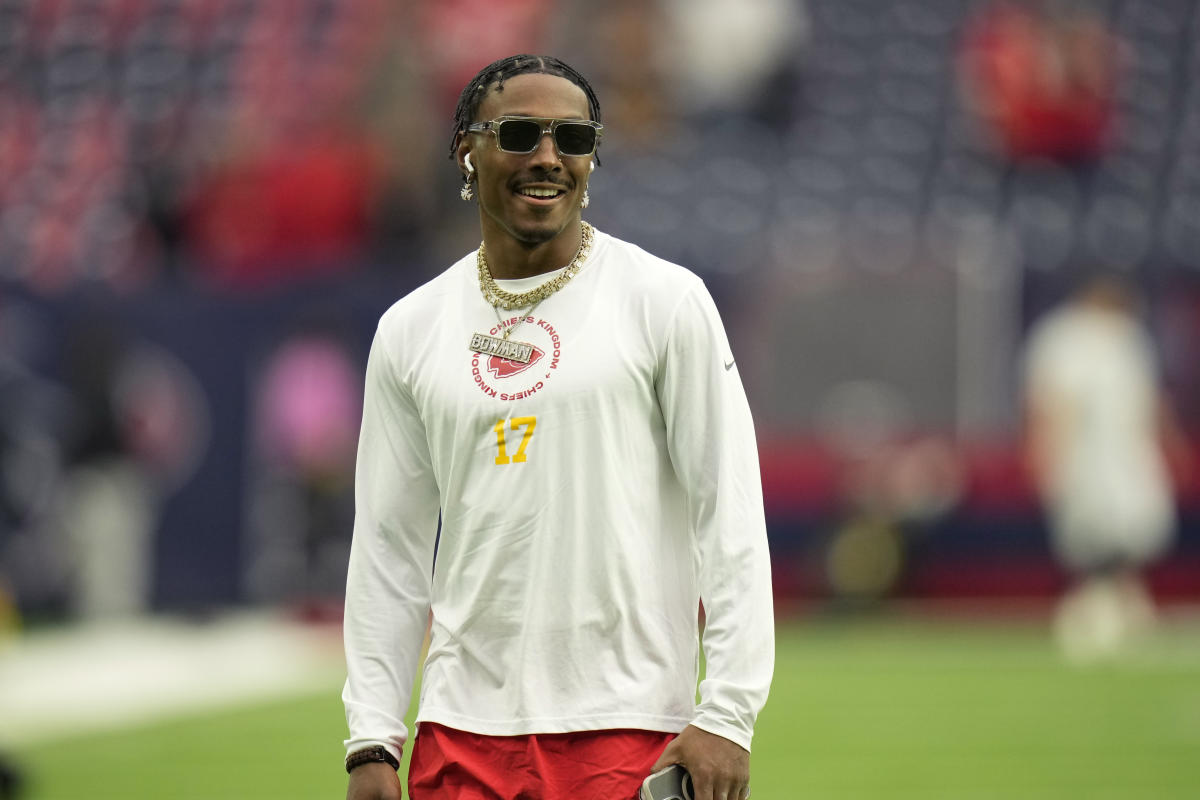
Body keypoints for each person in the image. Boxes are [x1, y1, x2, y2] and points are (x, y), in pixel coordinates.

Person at [341, 55, 774, 800]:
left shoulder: (665, 301)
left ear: (593, 157)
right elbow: (389, 548)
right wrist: (373, 739)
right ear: (465, 151)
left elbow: (728, 514)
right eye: (518, 134)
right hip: (460, 736)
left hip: (628, 728)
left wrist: (729, 712)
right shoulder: (410, 330)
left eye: (572, 138)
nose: (547, 157)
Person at [1022, 273, 1188, 662]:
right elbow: (1050, 398)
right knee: (1091, 534)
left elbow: (1149, 398)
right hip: (1085, 455)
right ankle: (1090, 609)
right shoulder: (1063, 337)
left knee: (1138, 528)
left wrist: (1170, 442)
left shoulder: (1129, 337)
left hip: (1130, 452)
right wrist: (1046, 449)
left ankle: (1121, 603)